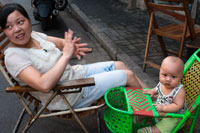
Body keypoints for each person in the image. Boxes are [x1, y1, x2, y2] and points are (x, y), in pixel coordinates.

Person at [0, 3, 147, 110]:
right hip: (68, 93)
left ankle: (155, 97)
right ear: (4, 31)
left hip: (75, 76)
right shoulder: (13, 56)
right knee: (127, 76)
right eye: (9, 27)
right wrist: (66, 56)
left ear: (29, 20)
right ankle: (153, 110)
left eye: (20, 22)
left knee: (119, 65)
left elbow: (59, 42)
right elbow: (43, 85)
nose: (17, 29)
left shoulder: (34, 36)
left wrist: (70, 45)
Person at [138, 56, 187, 133]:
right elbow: (157, 88)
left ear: (181, 77)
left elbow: (177, 106)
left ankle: (153, 130)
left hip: (174, 115)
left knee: (169, 123)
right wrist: (153, 91)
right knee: (149, 105)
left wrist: (164, 108)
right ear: (160, 72)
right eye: (164, 75)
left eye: (173, 77)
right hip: (160, 107)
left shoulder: (179, 91)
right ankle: (140, 117)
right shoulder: (162, 83)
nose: (168, 79)